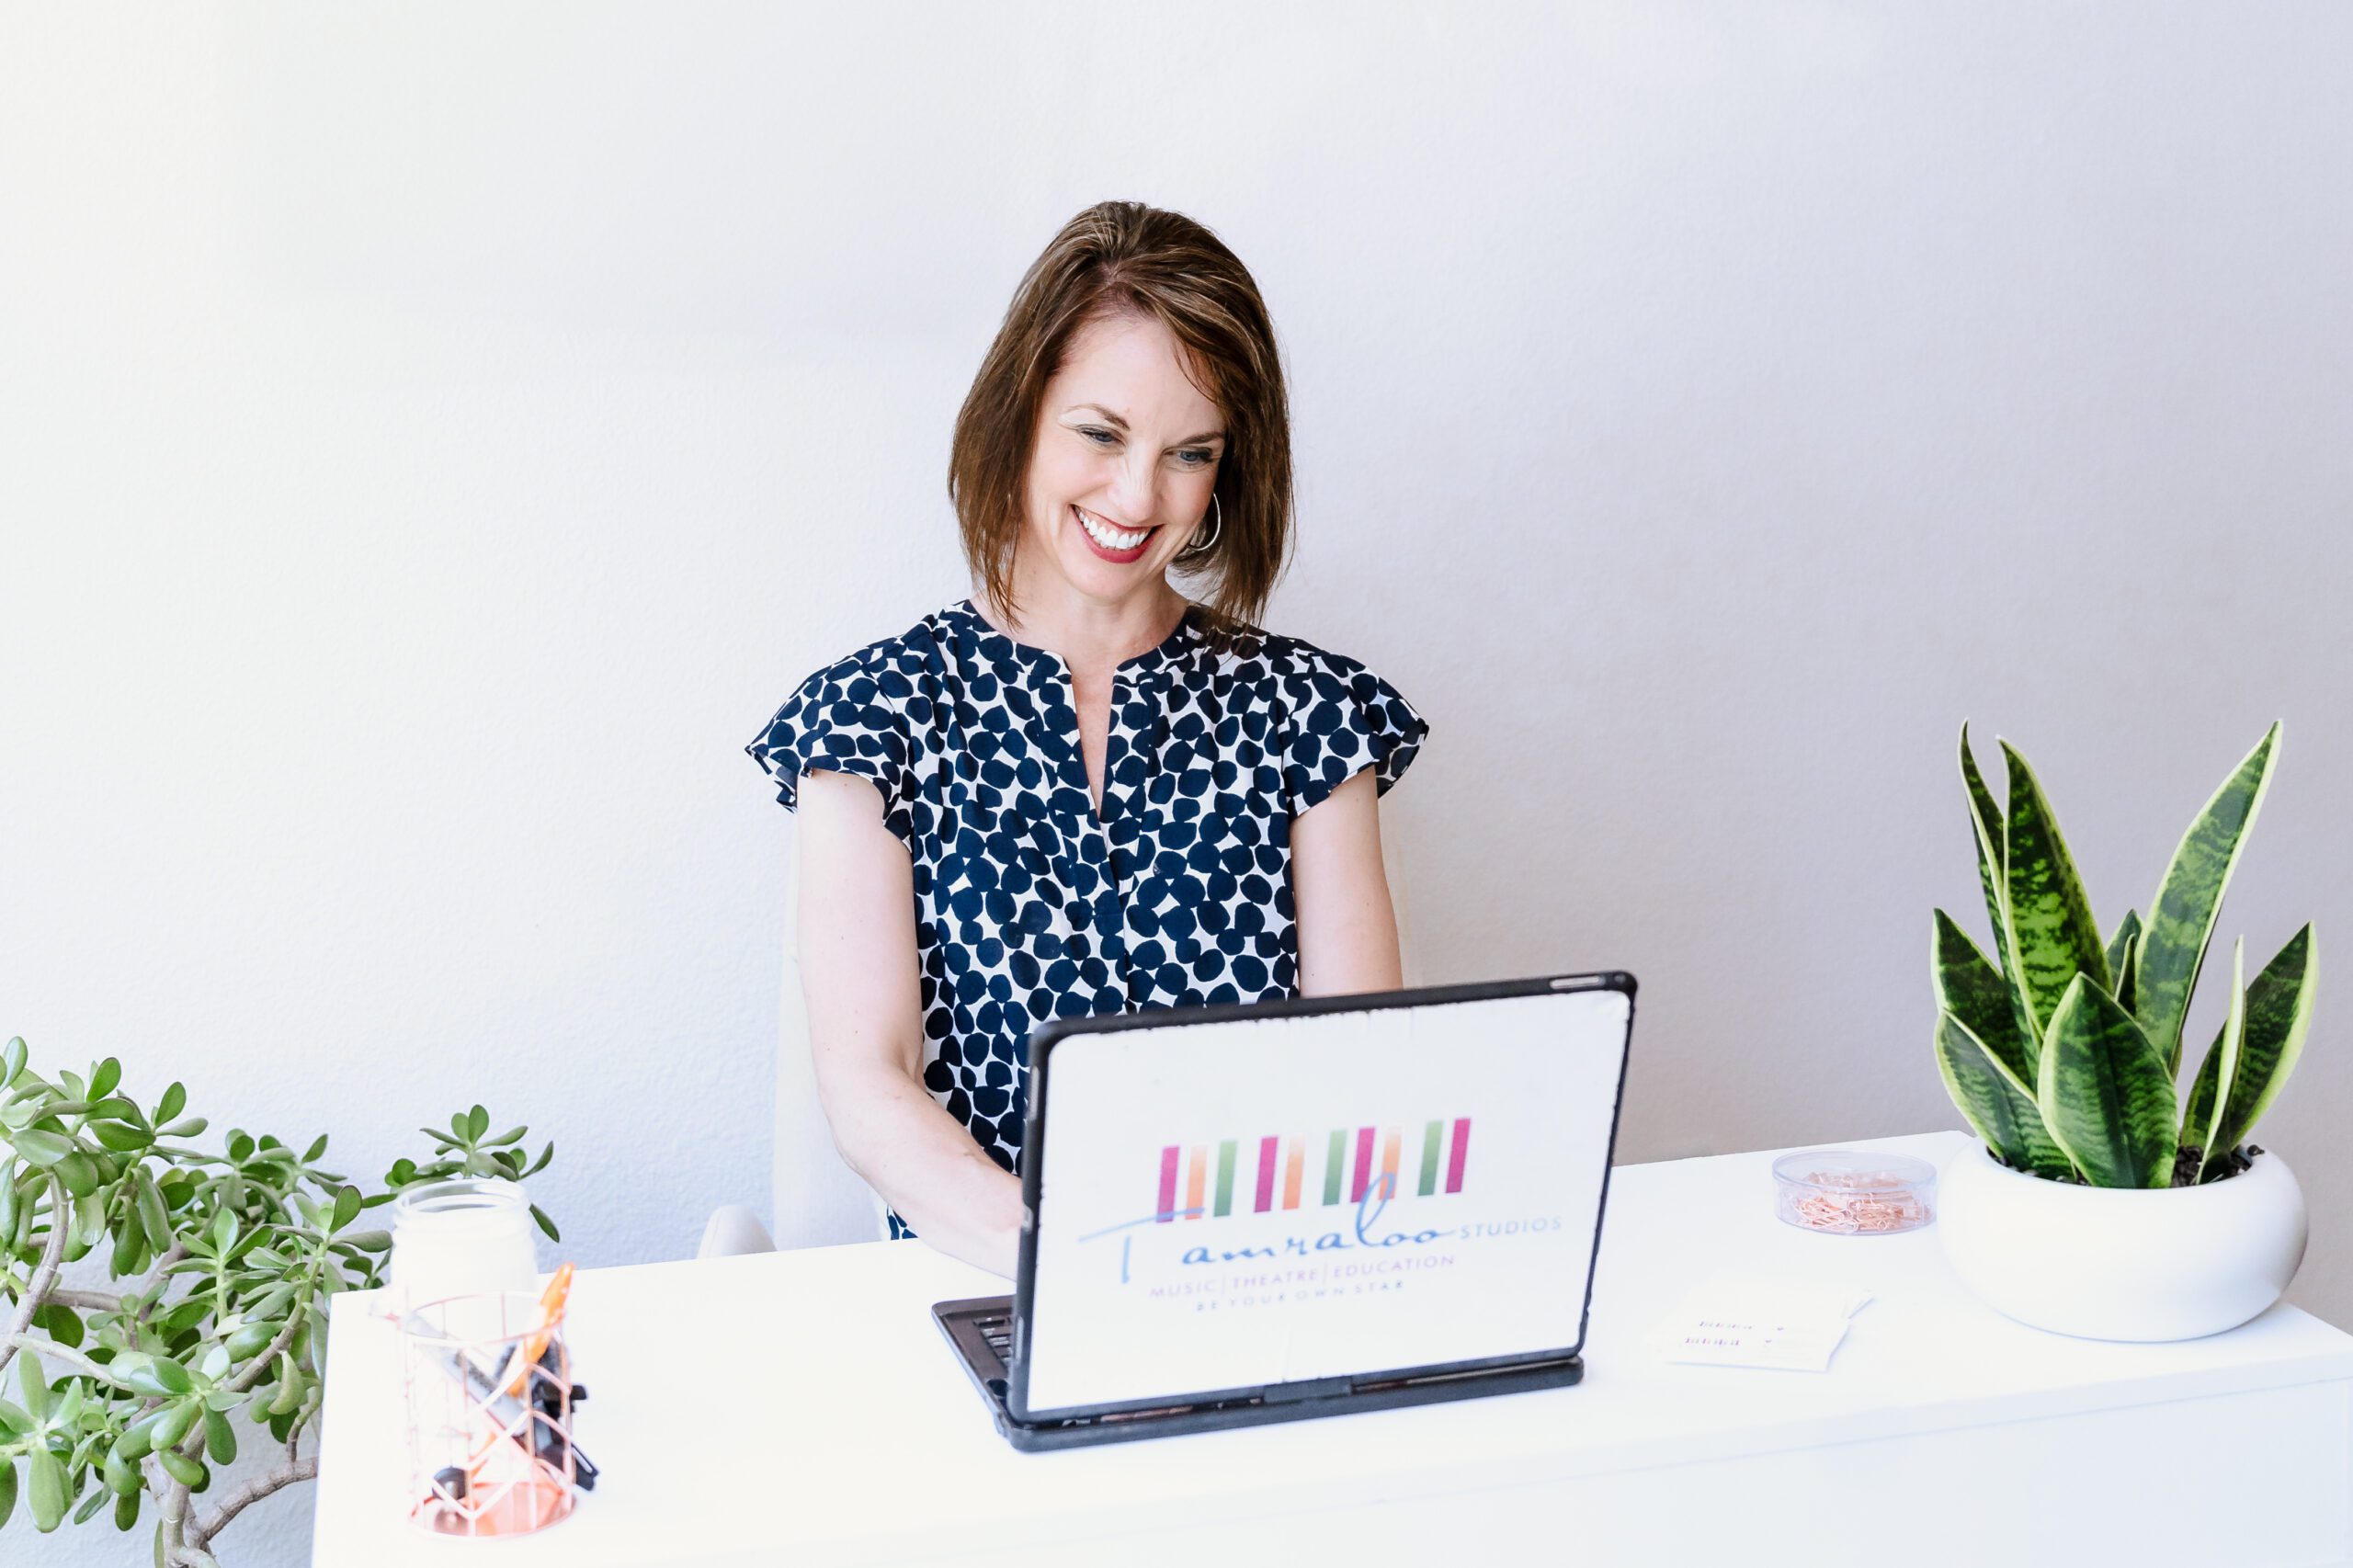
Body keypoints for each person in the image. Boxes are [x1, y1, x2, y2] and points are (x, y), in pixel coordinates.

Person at [746, 200, 1427, 1278]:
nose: (1136, 493)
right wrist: (1072, 1267)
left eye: (1188, 452)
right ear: (1018, 416)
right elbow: (869, 1087)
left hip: (1257, 1286)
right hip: (989, 1285)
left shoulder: (1311, 717)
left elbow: (1363, 1077)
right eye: (1101, 433)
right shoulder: (874, 717)